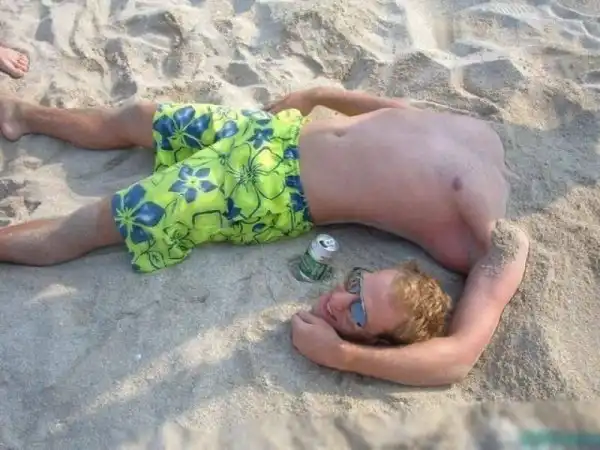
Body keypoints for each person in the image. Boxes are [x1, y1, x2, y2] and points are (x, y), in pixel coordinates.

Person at [0, 87, 530, 387]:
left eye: (358, 308)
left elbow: (457, 358)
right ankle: (23, 115)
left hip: (266, 190)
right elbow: (397, 116)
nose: (345, 296)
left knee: (104, 221)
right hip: (272, 133)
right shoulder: (481, 133)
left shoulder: (496, 239)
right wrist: (319, 94)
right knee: (138, 116)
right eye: (355, 287)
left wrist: (343, 356)